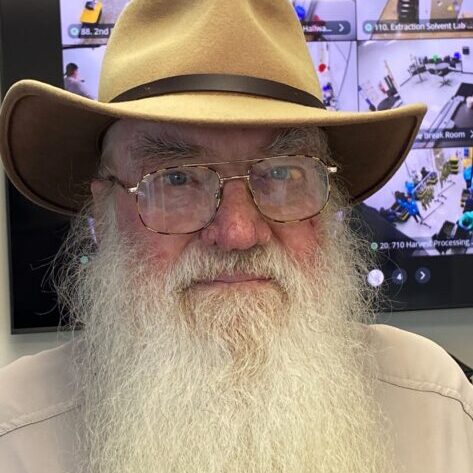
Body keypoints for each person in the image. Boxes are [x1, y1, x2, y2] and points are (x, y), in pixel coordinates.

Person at [0, 1, 472, 472]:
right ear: (102, 217)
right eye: (176, 179)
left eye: (284, 173)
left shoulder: (433, 407)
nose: (238, 232)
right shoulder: (17, 436)